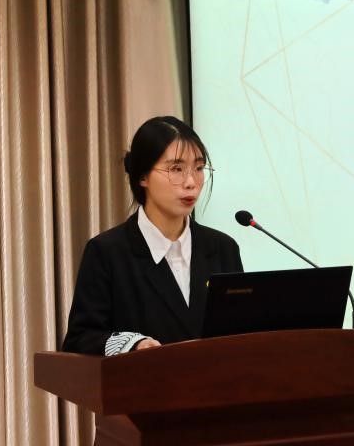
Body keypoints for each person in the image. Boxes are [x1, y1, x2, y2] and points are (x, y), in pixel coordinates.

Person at [62, 115, 243, 355]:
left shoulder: (222, 248)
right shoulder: (107, 252)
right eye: (176, 169)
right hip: (144, 379)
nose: (191, 182)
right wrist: (133, 344)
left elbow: (243, 331)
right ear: (143, 176)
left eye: (199, 168)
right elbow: (80, 338)